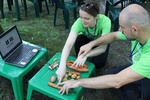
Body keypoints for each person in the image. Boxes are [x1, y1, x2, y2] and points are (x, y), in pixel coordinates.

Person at [58, 4, 150, 100]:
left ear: (134, 29)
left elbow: (117, 81)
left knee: (127, 90)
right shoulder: (142, 32)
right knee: (111, 74)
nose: (119, 30)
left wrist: (78, 82)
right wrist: (91, 44)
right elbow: (114, 36)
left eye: (122, 27)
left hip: (147, 75)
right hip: (141, 65)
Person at [56, 0, 111, 83]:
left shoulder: (105, 21)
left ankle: (84, 57)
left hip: (100, 43)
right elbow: (68, 45)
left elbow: (103, 47)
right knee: (79, 39)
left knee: (99, 63)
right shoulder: (78, 23)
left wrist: (87, 55)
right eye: (81, 17)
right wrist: (62, 65)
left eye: (87, 18)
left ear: (96, 16)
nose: (83, 21)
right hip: (86, 39)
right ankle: (80, 57)